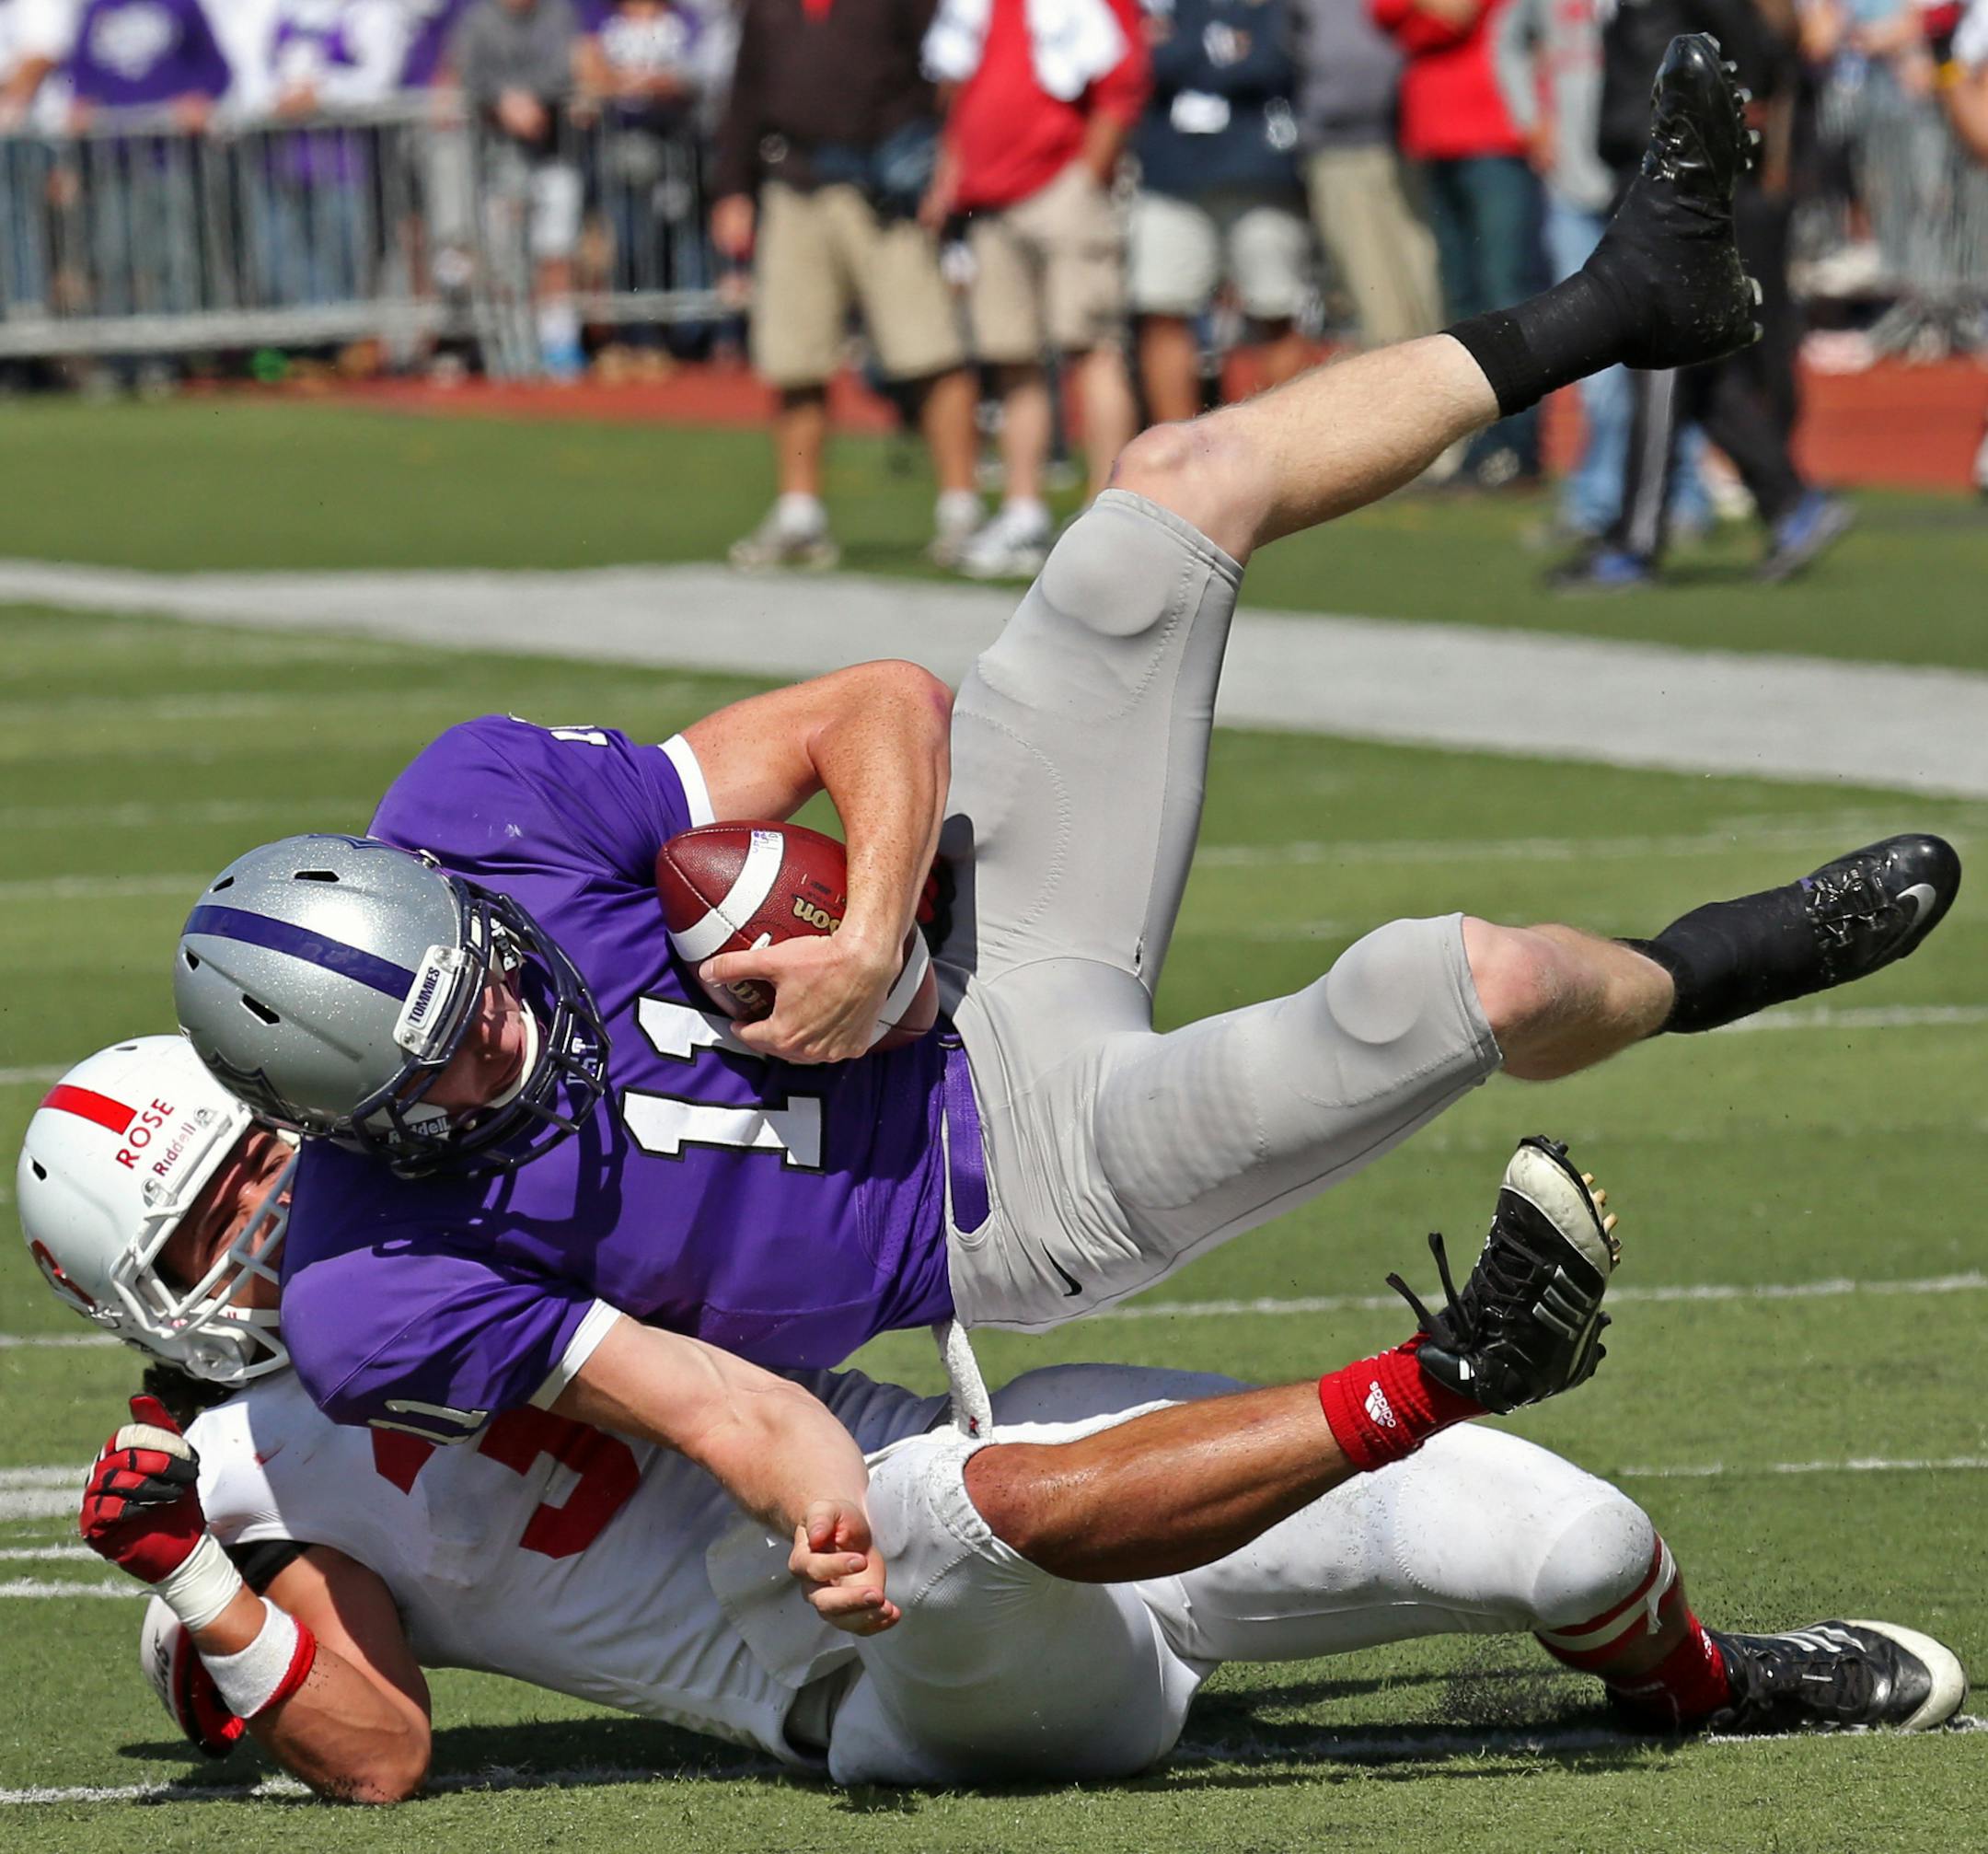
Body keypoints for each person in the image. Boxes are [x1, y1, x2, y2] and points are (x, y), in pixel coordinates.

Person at [171, 41, 1960, 1614]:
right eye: (455, 1063)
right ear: (367, 1126)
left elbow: (872, 701)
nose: (500, 1021)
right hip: (1007, 1186)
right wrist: (824, 1515)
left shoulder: (481, 813)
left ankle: (1628, 294)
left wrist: (871, 926)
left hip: (965, 934)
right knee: (1454, 983)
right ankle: (1712, 966)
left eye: (476, 980)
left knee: (1165, 494)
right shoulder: (375, 1282)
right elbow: (720, 1404)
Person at [20, 1037, 1968, 1799]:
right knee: (932, 1502)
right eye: (220, 1218)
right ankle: (1429, 1370)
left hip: (1049, 1469)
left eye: (269, 1162)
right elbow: (369, 1754)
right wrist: (191, 1563)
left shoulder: (480, 1175)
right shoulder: (237, 1465)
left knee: (1580, 1548)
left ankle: (1705, 1678)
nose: (277, 1218)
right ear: (135, 1285)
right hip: (902, 1670)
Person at [1551, 0, 1853, 587]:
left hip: (1676, 177)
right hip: (1644, 169)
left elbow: (1754, 43)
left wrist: (1723, 127)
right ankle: (1791, 504)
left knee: (1658, 355)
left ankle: (1634, 542)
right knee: (1699, 370)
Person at [710, 0, 981, 572]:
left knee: (930, 351)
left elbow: (948, 69)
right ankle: (799, 513)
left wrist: (944, 160)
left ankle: (961, 509)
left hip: (883, 182)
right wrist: (732, 185)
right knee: (795, 361)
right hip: (794, 181)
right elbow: (747, 87)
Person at [922, 0, 1150, 575]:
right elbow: (959, 90)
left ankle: (1107, 515)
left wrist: (1087, 176)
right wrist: (950, 173)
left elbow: (1122, 85)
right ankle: (1024, 513)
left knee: (1092, 349)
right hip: (990, 199)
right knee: (1011, 360)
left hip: (1060, 189)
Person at [1370, 0, 1547, 490]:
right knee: (1461, 302)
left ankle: (1519, 445)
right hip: (1434, 133)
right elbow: (1380, 13)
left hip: (1498, 131)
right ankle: (1482, 445)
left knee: (1506, 294)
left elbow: (1453, 13)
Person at [1127, 0, 1315, 422]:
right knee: (1162, 309)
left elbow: (1275, 61)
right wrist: (1215, 50)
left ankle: (1287, 453)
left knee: (1276, 308)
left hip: (1261, 171)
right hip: (1170, 175)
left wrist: (1188, 52)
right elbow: (1141, 65)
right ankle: (1176, 457)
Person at [1289, 0, 1442, 350]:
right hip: (1336, 150)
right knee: (1377, 301)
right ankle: (1408, 396)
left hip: (1412, 143)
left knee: (1428, 287)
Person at [453, 0, 588, 377]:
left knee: (555, 251)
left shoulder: (559, 14)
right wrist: (503, 100)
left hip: (553, 154)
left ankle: (558, 346)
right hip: (495, 161)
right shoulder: (478, 19)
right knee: (503, 260)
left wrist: (531, 98)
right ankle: (509, 346)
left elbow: (566, 68)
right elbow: (470, 74)